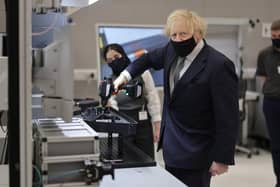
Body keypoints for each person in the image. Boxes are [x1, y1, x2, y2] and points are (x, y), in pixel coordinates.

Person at [113, 9, 239, 187]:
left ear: (198, 33)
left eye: (183, 34)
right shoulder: (171, 50)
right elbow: (146, 60)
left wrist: (222, 158)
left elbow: (228, 116)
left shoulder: (219, 65)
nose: (178, 40)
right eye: (174, 35)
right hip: (171, 146)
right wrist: (123, 77)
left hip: (198, 150)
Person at [103, 43, 161, 159]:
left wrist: (157, 127)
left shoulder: (143, 73)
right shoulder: (110, 81)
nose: (114, 61)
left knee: (147, 160)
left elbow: (152, 98)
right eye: (110, 60)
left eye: (116, 56)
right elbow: (112, 103)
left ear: (123, 54)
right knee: (127, 160)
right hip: (123, 122)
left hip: (143, 122)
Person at [256, 19, 280, 187]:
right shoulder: (264, 54)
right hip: (272, 103)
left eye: (279, 36)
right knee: (277, 145)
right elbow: (264, 78)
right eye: (273, 36)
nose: (276, 38)